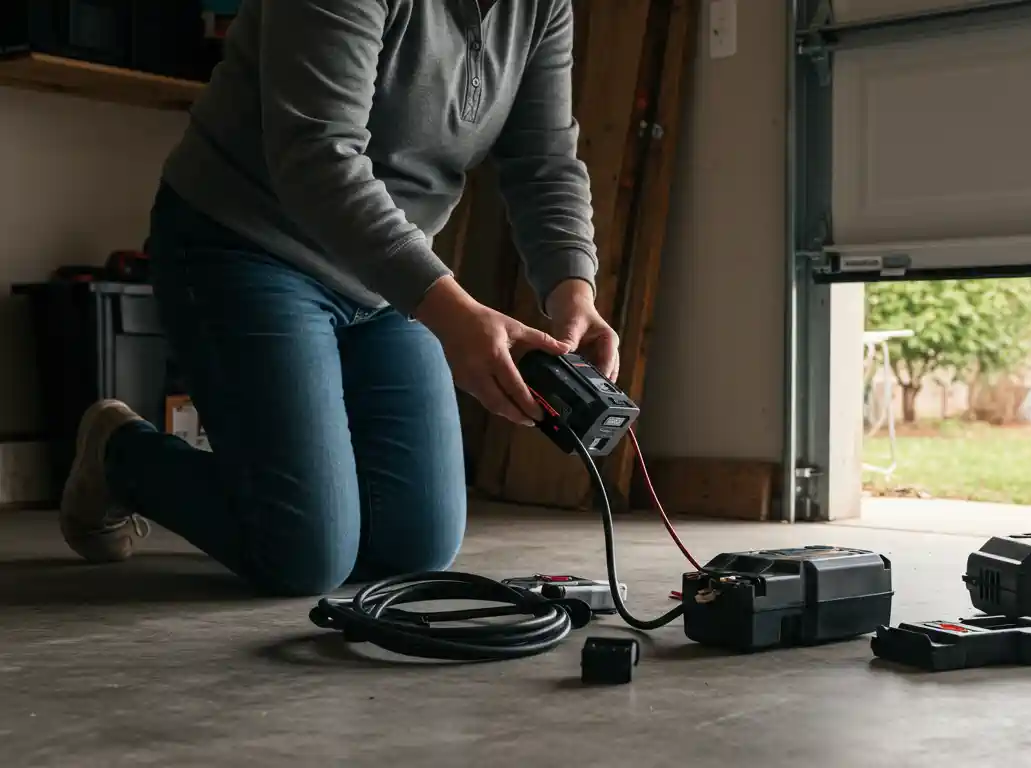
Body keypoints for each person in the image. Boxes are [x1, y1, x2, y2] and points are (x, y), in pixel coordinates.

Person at [56, 0, 617, 597]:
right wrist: (454, 315)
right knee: (303, 554)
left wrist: (573, 290)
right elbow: (318, 154)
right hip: (248, 244)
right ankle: (118, 454)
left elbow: (544, 160)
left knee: (416, 545)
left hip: (386, 278)